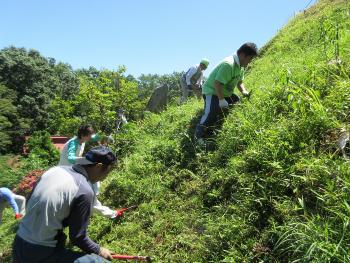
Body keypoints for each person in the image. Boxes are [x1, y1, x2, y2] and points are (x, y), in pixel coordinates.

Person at [13, 146, 117, 263]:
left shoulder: (54, 170)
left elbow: (29, 200)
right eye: (108, 171)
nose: (105, 177)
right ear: (98, 166)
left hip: (18, 243)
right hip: (41, 252)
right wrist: (99, 250)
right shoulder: (84, 190)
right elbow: (78, 237)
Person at [194, 43, 258, 142]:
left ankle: (217, 123)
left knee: (236, 100)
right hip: (212, 91)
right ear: (243, 55)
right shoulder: (229, 64)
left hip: (224, 92)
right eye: (249, 59)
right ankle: (199, 135)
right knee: (212, 111)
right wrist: (221, 100)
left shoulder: (240, 67)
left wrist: (244, 91)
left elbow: (239, 81)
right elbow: (217, 83)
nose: (249, 62)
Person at [59, 125, 118, 219]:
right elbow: (70, 158)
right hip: (67, 170)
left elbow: (96, 137)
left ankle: (95, 197)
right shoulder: (73, 143)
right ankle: (98, 205)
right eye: (89, 136)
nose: (91, 138)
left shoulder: (83, 139)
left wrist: (107, 138)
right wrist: (85, 160)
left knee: (94, 180)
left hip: (75, 167)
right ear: (82, 135)